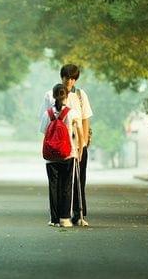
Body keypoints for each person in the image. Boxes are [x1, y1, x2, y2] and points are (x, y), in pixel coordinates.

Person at [42, 64, 93, 226]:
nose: (70, 81)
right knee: (60, 184)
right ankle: (60, 216)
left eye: (73, 78)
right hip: (57, 147)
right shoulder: (50, 95)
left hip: (77, 147)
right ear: (61, 77)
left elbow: (85, 119)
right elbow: (46, 123)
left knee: (79, 181)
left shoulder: (80, 95)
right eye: (67, 78)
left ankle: (78, 214)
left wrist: (83, 144)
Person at [40, 83, 84, 228]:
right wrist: (80, 150)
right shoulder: (72, 113)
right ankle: (65, 217)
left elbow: (44, 133)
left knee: (53, 187)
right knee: (66, 186)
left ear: (53, 96)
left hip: (51, 157)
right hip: (68, 154)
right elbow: (79, 134)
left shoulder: (47, 114)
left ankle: (54, 219)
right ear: (66, 96)